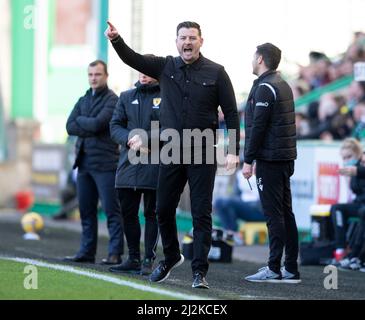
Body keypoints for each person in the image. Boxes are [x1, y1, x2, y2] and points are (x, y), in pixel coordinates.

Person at [105, 21, 240, 289]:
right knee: (162, 209)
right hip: (171, 150)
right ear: (176, 42)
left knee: (202, 214)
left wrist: (233, 151)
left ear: (202, 41)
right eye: (182, 38)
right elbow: (133, 58)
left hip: (202, 150)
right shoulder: (164, 66)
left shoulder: (217, 72)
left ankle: (199, 271)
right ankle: (170, 257)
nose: (187, 42)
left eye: (192, 38)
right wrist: (116, 39)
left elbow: (232, 113)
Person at [242, 43, 300, 283]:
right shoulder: (282, 84)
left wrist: (248, 160)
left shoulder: (266, 87)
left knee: (274, 214)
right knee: (286, 214)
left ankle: (274, 268)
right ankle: (290, 268)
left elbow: (258, 129)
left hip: (271, 159)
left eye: (254, 56)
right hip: (283, 157)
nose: (251, 59)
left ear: (261, 59)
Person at [64, 60, 124, 265]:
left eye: (97, 74)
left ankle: (115, 253)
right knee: (86, 211)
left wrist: (82, 121)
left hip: (106, 164)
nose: (93, 78)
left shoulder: (113, 100)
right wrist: (86, 124)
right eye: (90, 75)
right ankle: (86, 251)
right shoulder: (83, 99)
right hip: (84, 163)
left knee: (111, 211)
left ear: (106, 76)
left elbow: (99, 124)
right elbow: (69, 126)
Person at [108, 71, 161, 276]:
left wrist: (145, 139)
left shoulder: (166, 96)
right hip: (128, 165)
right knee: (128, 213)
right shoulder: (126, 96)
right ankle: (133, 258)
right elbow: (114, 126)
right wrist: (131, 139)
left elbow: (170, 128)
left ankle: (148, 259)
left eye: (148, 71)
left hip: (156, 162)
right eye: (141, 71)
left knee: (152, 214)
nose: (144, 75)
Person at [331, 138, 365, 263]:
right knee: (337, 208)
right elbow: (351, 195)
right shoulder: (350, 171)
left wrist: (356, 171)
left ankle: (355, 254)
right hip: (358, 204)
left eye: (349, 156)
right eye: (344, 158)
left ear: (358, 154)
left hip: (363, 206)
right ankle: (340, 249)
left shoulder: (359, 167)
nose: (346, 161)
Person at [214, 166, 264, 245]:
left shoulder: (264, 171)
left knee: (224, 202)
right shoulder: (239, 175)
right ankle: (231, 233)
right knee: (220, 202)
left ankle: (232, 234)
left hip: (260, 210)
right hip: (244, 207)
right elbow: (236, 195)